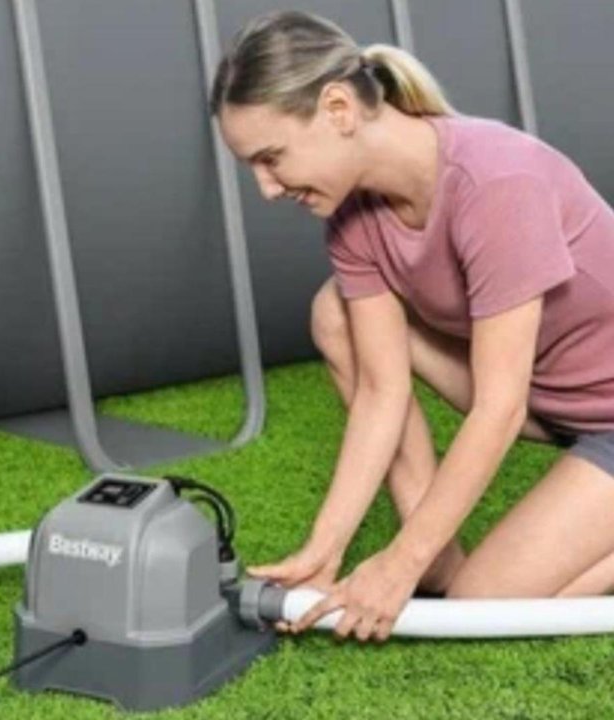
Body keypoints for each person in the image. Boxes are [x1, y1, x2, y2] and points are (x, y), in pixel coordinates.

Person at [209, 10, 614, 643]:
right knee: (334, 313)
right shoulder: (352, 219)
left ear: (339, 108)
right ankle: (438, 559)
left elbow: (499, 408)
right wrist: (324, 548)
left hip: (562, 404)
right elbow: (381, 390)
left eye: (271, 158)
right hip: (559, 402)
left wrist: (398, 563)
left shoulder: (496, 181)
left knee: (481, 607)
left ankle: (432, 564)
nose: (266, 188)